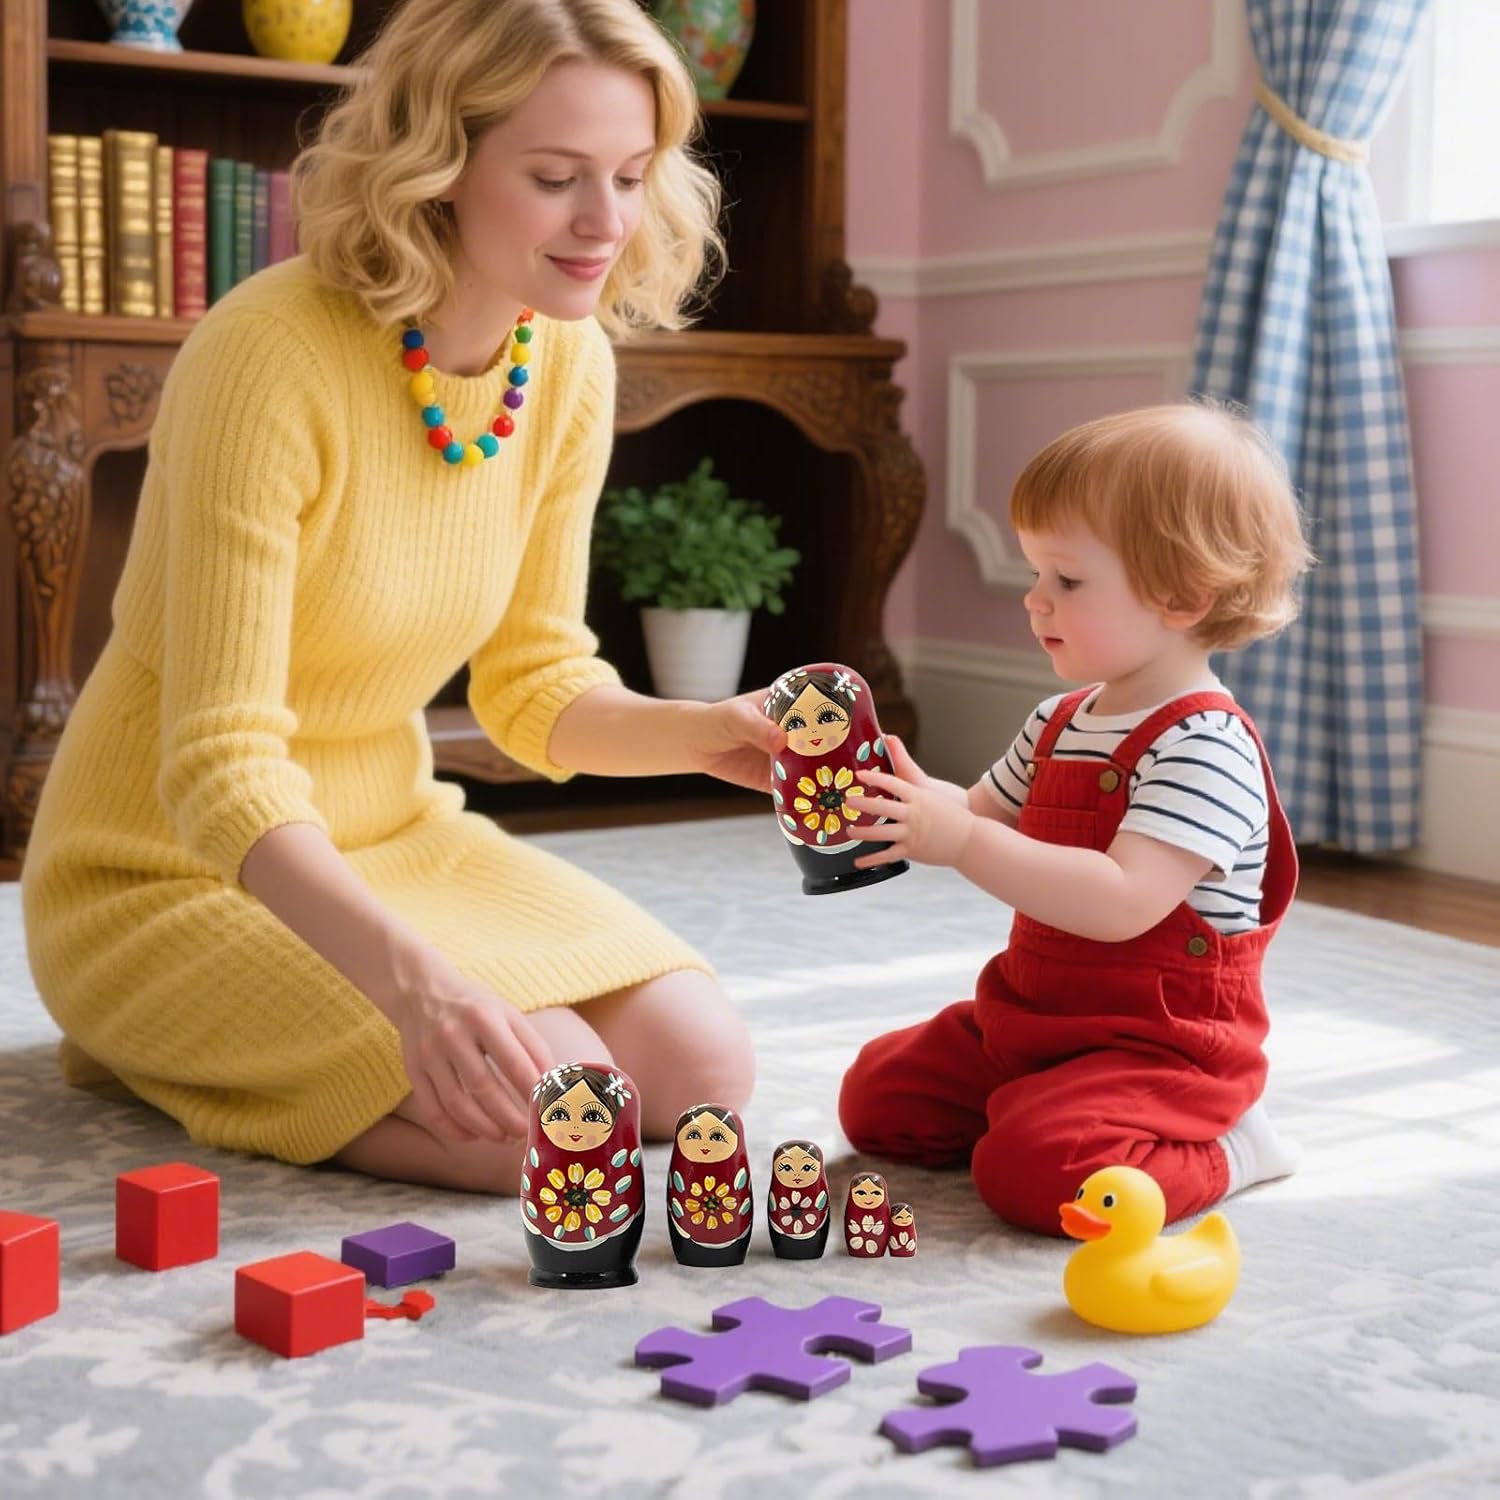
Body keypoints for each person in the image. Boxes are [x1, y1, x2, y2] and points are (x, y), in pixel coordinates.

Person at [21, 0, 782, 1193]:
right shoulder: (267, 353)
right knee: (557, 1114)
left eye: (632, 177)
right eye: (556, 178)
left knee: (704, 1068)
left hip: (393, 839)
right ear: (438, 164)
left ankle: (312, 1049)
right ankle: (170, 1046)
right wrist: (417, 987)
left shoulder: (564, 358)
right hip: (164, 870)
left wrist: (707, 733)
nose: (607, 222)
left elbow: (536, 686)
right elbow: (219, 768)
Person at [838, 403, 1313, 1234]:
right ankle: (1047, 1105)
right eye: (1036, 575)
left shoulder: (1206, 744)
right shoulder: (1060, 720)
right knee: (877, 1096)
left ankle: (1231, 1149)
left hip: (1161, 1047)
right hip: (1031, 1019)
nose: (1035, 601)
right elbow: (977, 812)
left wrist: (963, 841)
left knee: (1038, 1178)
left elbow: (1122, 900)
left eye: (1067, 580)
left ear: (1182, 596)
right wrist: (905, 801)